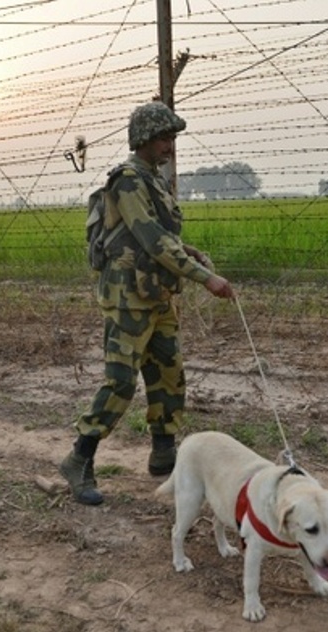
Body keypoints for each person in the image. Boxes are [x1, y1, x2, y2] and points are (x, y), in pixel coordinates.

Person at [59, 102, 235, 505]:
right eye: (163, 138)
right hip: (128, 299)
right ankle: (79, 458)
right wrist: (204, 277)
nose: (170, 146)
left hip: (156, 293)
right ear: (143, 139)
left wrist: (188, 250)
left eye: (172, 138)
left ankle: (163, 454)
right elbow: (152, 239)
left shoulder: (152, 180)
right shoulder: (127, 180)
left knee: (168, 374)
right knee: (121, 381)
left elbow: (154, 234)